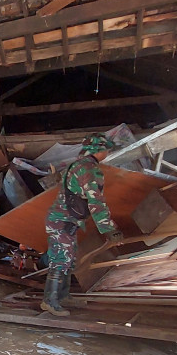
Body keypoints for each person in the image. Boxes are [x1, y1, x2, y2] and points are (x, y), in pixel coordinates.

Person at [41, 133, 123, 317]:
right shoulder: (89, 169)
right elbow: (97, 202)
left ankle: (63, 297)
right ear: (99, 150)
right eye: (107, 150)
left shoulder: (79, 164)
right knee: (61, 260)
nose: (107, 153)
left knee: (68, 259)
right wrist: (109, 229)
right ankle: (50, 301)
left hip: (66, 220)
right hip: (62, 221)